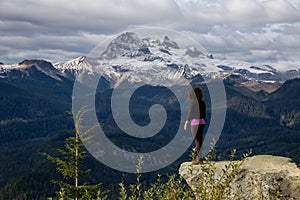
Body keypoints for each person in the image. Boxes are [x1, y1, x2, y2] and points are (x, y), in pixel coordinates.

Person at [184, 87, 206, 165]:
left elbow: (191, 113)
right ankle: (199, 157)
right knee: (200, 140)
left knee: (197, 140)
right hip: (202, 122)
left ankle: (199, 159)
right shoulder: (203, 102)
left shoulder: (192, 103)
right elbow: (204, 114)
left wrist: (186, 122)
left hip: (195, 123)